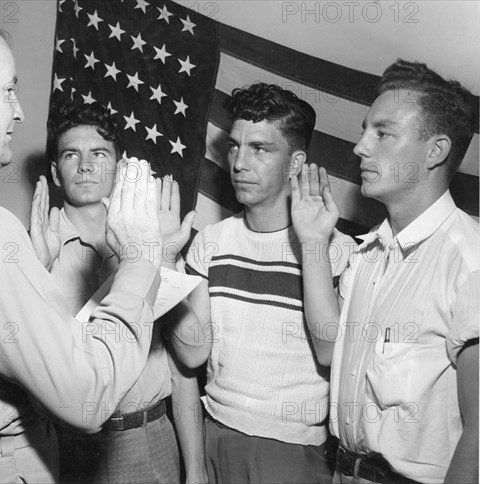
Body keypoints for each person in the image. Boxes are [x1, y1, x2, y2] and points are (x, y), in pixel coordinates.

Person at [0, 11, 188, 483]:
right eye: (8, 89)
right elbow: (87, 396)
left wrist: (28, 279)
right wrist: (142, 259)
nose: (19, 110)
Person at [290, 59, 479, 484]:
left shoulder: (469, 262)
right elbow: (329, 350)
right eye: (363, 130)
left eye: (383, 133)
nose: (359, 146)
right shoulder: (370, 252)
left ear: (435, 151)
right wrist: (314, 245)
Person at [171, 82, 355, 483]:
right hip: (215, 431)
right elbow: (189, 357)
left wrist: (313, 249)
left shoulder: (337, 250)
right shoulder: (212, 242)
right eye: (235, 146)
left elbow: (332, 351)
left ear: (295, 163)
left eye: (260, 148)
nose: (239, 163)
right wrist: (196, 466)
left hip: (292, 449)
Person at [30, 101, 205, 484]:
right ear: (56, 174)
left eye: (99, 153)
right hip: (70, 446)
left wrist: (196, 467)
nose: (86, 165)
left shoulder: (151, 240)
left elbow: (186, 361)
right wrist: (36, 270)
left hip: (150, 436)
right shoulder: (34, 252)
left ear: (120, 165)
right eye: (71, 154)